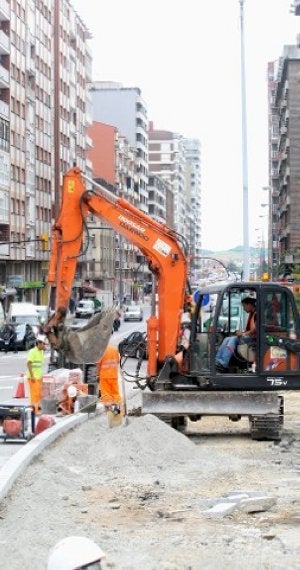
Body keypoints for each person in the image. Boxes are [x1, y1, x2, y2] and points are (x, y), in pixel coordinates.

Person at [215, 296, 256, 372]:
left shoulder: (257, 314)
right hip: (250, 338)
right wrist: (242, 333)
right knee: (227, 338)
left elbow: (255, 330)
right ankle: (217, 361)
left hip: (254, 341)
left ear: (249, 305)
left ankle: (223, 363)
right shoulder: (252, 314)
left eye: (244, 306)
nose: (244, 309)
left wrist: (243, 334)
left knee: (234, 339)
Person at [26, 334, 47, 413]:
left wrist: (44, 348)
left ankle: (37, 408)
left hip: (38, 376)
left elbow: (38, 365)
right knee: (35, 394)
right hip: (33, 377)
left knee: (38, 394)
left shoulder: (41, 351)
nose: (44, 345)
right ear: (39, 343)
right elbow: (29, 364)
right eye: (43, 344)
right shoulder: (32, 352)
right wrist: (32, 376)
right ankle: (34, 410)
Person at [97, 344, 121, 410]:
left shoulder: (101, 350)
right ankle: (117, 407)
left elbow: (98, 364)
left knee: (106, 393)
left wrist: (97, 375)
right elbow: (118, 361)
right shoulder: (114, 349)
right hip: (114, 375)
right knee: (115, 392)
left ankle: (109, 410)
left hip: (104, 376)